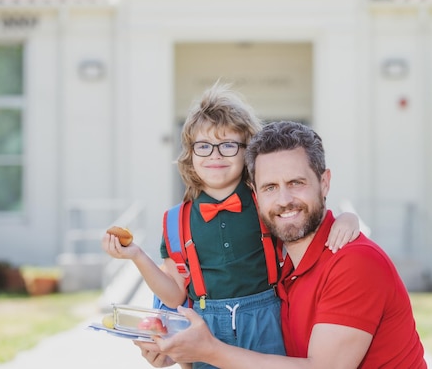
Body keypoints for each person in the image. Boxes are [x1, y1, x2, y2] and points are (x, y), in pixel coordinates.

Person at [102, 84, 360, 369]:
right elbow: (175, 294)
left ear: (247, 152)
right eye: (204, 146)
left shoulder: (266, 201)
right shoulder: (175, 221)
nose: (215, 155)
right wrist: (137, 255)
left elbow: (308, 224)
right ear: (190, 154)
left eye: (228, 145)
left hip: (267, 322)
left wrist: (348, 220)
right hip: (206, 327)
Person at [135, 120, 427, 368]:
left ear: (324, 183)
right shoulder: (282, 267)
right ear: (256, 195)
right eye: (270, 187)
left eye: (296, 183)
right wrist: (179, 351)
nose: (284, 200)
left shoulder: (354, 263)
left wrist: (208, 350)